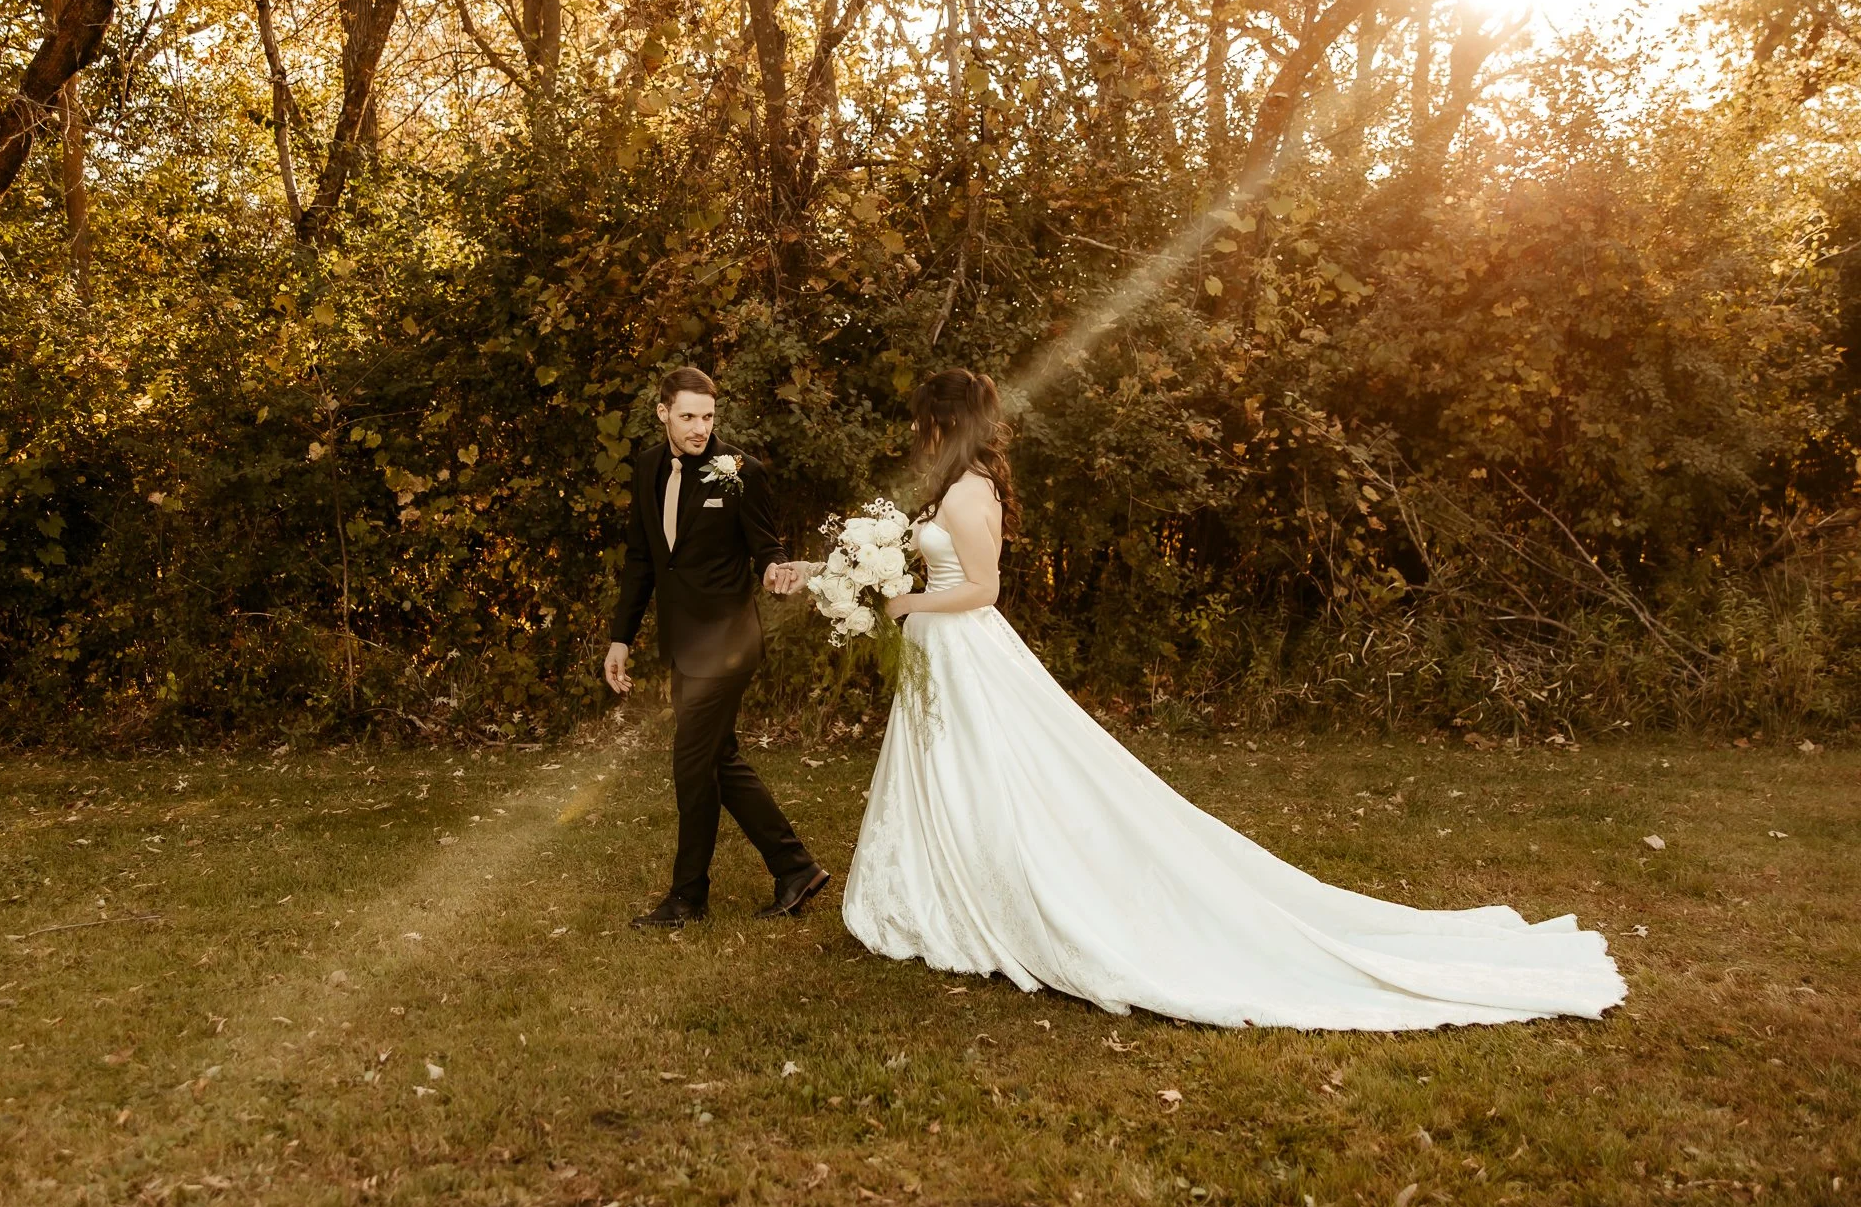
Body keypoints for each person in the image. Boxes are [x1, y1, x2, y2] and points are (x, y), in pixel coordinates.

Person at [841, 368, 1628, 1029]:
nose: (922, 434)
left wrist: (906, 602)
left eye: (926, 422)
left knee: (987, 774)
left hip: (962, 645)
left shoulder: (971, 494)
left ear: (945, 421)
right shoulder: (958, 485)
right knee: (946, 776)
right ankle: (937, 886)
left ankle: (989, 894)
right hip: (941, 654)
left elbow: (984, 587)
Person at [605, 367, 831, 928]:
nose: (700, 428)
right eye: (688, 416)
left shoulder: (740, 472)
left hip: (729, 642)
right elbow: (642, 560)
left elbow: (766, 544)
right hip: (682, 642)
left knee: (690, 764)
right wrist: (620, 638)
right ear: (662, 413)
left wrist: (777, 568)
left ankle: (687, 896)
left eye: (707, 417)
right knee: (717, 759)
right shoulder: (647, 468)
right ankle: (794, 867)